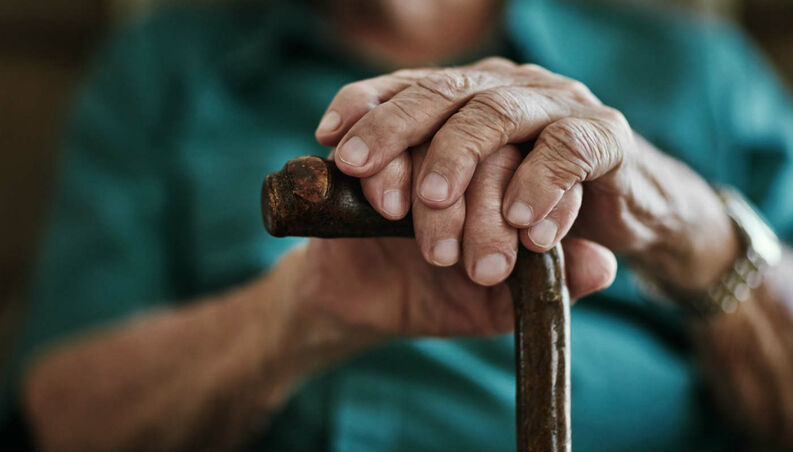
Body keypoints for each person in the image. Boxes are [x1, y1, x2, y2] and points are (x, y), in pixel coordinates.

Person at [2, 0, 792, 450]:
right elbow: (64, 417)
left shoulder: (698, 72)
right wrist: (296, 314)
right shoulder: (160, 68)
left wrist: (690, 229)